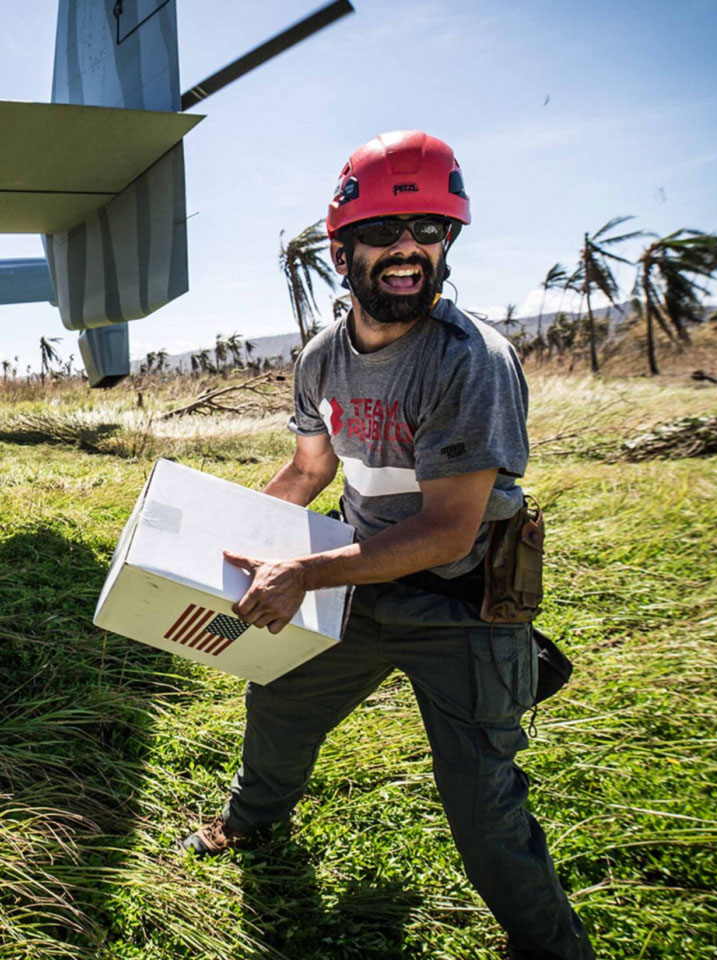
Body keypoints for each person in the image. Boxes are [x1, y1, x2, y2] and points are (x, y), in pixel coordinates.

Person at [183, 130, 595, 960]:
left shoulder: (472, 361)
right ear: (343, 251)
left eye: (430, 229)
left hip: (463, 603)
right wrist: (211, 545)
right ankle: (250, 823)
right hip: (358, 584)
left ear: (448, 243)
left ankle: (553, 947)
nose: (407, 247)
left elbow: (447, 528)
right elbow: (306, 472)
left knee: (483, 805)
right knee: (280, 705)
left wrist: (299, 569)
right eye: (382, 230)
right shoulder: (320, 361)